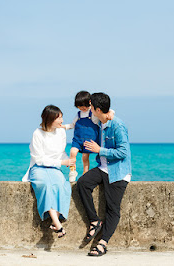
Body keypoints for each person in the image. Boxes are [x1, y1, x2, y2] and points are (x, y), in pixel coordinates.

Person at [77, 93, 132, 256]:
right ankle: (94, 221)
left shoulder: (118, 125)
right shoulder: (100, 120)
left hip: (118, 172)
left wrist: (99, 150)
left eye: (91, 107)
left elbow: (123, 152)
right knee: (82, 183)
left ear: (98, 109)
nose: (90, 110)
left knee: (112, 209)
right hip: (103, 168)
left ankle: (103, 243)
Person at [22, 105, 76, 238]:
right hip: (38, 168)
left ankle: (55, 222)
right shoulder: (37, 133)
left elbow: (61, 153)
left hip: (54, 168)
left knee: (62, 186)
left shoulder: (61, 132)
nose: (62, 121)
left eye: (62, 117)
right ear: (50, 119)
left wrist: (68, 161)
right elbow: (39, 159)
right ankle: (58, 224)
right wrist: (61, 163)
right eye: (59, 118)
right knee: (46, 185)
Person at [63, 91, 114, 181]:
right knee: (72, 152)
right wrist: (64, 127)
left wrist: (111, 113)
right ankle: (72, 171)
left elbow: (106, 111)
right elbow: (72, 124)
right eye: (80, 106)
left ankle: (85, 173)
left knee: (85, 157)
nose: (83, 108)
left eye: (85, 105)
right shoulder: (78, 114)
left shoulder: (93, 112)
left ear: (90, 103)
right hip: (78, 139)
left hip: (89, 139)